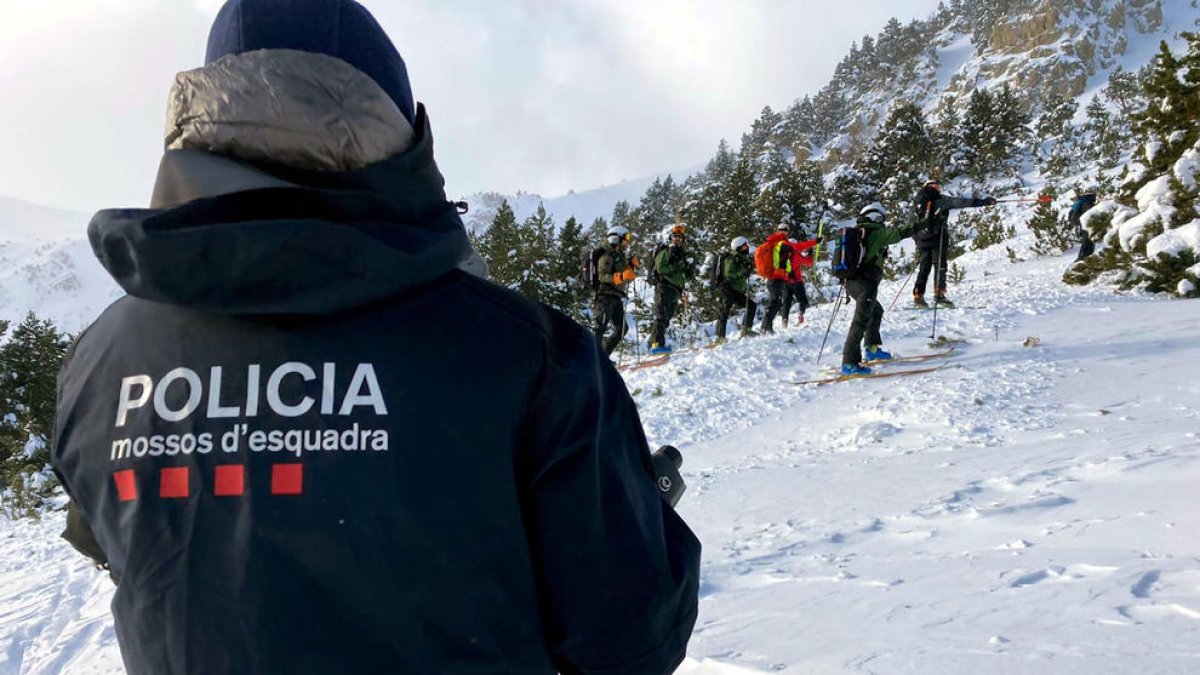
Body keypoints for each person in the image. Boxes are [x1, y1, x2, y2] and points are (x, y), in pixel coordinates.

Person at [50, 2, 700, 674]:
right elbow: (632, 635)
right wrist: (635, 505)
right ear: (400, 132)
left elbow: (107, 536)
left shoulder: (96, 366)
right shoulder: (527, 357)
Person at [841, 203, 917, 376]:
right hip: (865, 284)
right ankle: (849, 363)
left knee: (876, 310)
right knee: (860, 321)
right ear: (876, 217)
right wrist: (926, 222)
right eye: (882, 218)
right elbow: (902, 232)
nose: (884, 221)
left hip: (852, 283)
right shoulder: (876, 233)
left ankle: (871, 348)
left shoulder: (859, 233)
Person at [912, 179, 996, 307]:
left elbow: (910, 223)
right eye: (937, 186)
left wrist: (917, 239)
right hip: (939, 238)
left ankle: (918, 295)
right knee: (940, 266)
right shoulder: (941, 199)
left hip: (922, 240)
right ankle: (939, 295)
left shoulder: (917, 202)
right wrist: (984, 202)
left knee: (924, 267)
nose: (938, 188)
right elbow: (962, 202)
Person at [648, 224, 694, 354]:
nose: (677, 239)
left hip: (675, 290)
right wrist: (676, 267)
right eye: (675, 236)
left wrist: (688, 271)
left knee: (666, 318)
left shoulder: (682, 255)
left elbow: (682, 273)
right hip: (664, 286)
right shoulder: (665, 251)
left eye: (680, 237)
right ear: (671, 238)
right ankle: (656, 345)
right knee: (661, 316)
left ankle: (652, 343)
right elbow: (661, 268)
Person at [594, 225, 639, 355]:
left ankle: (604, 356)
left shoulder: (619, 256)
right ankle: (593, 359)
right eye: (626, 238)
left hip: (616, 297)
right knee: (599, 329)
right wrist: (620, 277)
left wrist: (630, 265)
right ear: (616, 239)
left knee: (622, 329)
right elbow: (602, 275)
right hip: (605, 296)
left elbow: (625, 274)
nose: (627, 242)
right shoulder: (607, 256)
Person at [713, 236, 758, 344]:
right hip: (727, 288)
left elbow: (740, 275)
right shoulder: (731, 258)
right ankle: (720, 337)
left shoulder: (741, 258)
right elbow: (729, 274)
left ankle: (747, 329)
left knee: (751, 305)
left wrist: (746, 271)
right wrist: (742, 272)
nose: (747, 248)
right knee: (724, 311)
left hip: (735, 290)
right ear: (738, 247)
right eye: (745, 246)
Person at [758, 223, 794, 334]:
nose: (784, 232)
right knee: (775, 302)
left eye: (785, 230)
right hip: (776, 278)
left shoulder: (773, 242)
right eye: (782, 230)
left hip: (775, 277)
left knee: (776, 302)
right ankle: (765, 327)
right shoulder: (781, 243)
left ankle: (767, 326)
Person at [782, 231, 818, 326]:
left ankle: (784, 320)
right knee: (803, 300)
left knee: (786, 302)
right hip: (797, 281)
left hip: (785, 282)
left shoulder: (782, 255)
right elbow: (809, 262)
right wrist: (810, 253)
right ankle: (800, 314)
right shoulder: (796, 254)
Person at [1070, 192, 1098, 262]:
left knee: (1086, 249)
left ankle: (1082, 264)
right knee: (1087, 248)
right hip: (1089, 228)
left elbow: (1074, 219)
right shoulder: (1088, 202)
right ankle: (1082, 263)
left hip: (1086, 228)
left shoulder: (1082, 202)